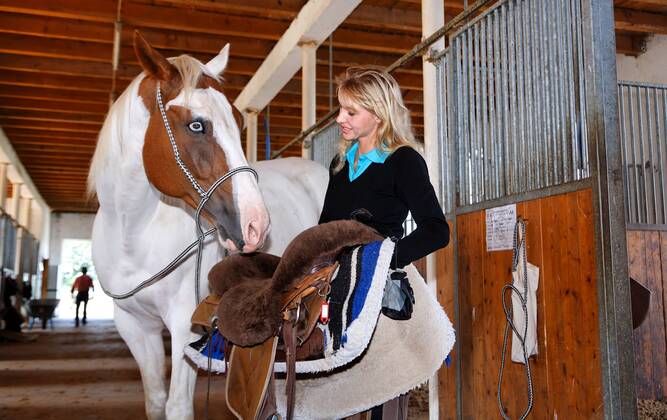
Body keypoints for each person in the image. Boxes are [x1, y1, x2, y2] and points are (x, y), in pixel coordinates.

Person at [318, 66, 450, 419]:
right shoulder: (339, 163)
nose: (340, 119)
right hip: (336, 280)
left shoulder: (404, 160)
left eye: (350, 112)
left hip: (378, 280)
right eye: (340, 109)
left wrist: (385, 260)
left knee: (382, 388)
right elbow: (325, 227)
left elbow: (437, 229)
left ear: (376, 115)